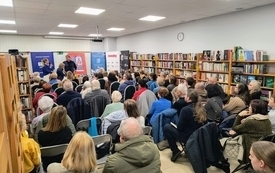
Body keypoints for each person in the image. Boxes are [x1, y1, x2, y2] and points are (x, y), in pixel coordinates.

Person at [164, 90, 207, 162]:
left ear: (189, 98)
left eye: (186, 95)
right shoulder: (202, 108)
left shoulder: (185, 110)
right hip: (199, 136)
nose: (184, 97)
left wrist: (176, 126)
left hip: (188, 136)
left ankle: (175, 150)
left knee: (167, 127)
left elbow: (180, 128)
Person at [229, 99, 272, 164]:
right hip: (262, 147)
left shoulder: (251, 121)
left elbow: (235, 128)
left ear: (254, 109)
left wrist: (239, 115)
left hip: (251, 146)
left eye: (250, 106)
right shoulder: (266, 119)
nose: (248, 108)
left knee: (225, 140)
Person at [38, 106, 73, 171]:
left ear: (50, 117)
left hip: (47, 166)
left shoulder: (41, 133)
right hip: (64, 165)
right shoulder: (67, 132)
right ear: (64, 118)